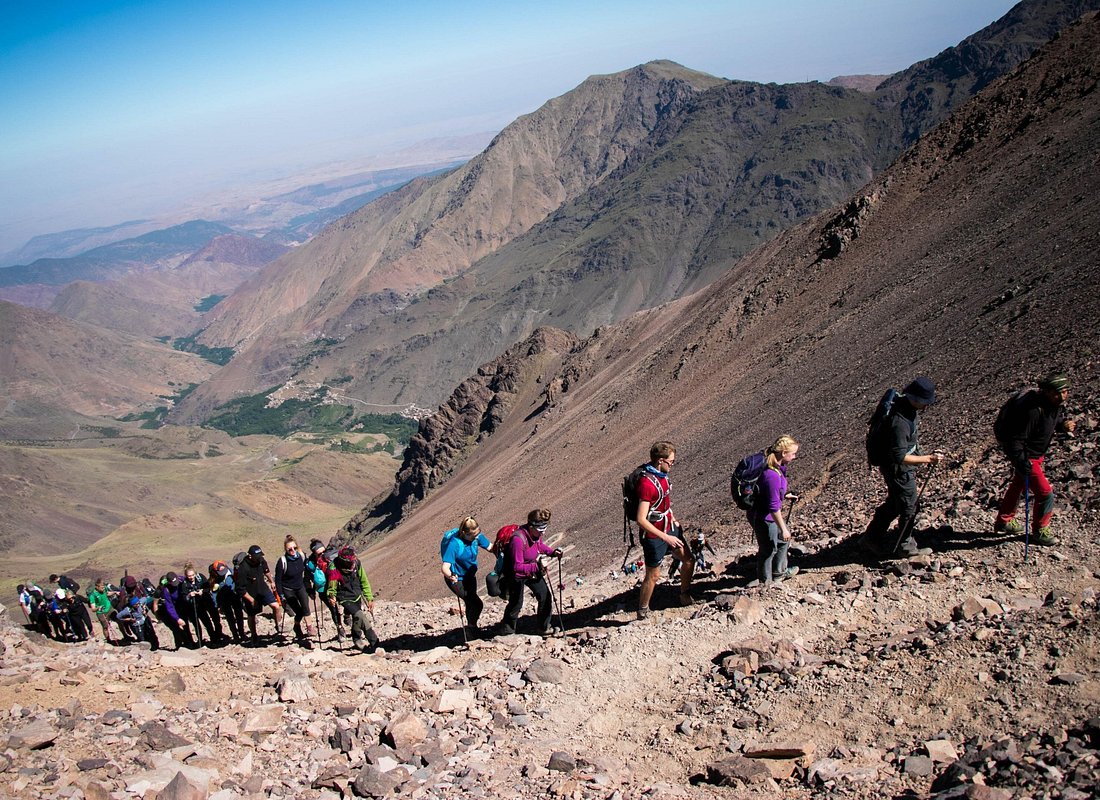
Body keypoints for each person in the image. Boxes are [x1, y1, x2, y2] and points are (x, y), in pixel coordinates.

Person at [863, 376, 945, 558]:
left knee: (895, 502)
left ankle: (872, 537)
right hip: (898, 471)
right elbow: (899, 457)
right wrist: (929, 459)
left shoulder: (903, 406)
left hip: (893, 468)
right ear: (916, 399)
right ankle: (905, 546)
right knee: (910, 505)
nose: (927, 405)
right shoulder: (900, 422)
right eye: (925, 401)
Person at [994, 373, 1076, 545]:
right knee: (1045, 493)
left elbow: (1053, 421)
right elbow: (1016, 440)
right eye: (1058, 393)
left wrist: (1063, 425)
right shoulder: (1032, 411)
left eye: (1065, 392)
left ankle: (1004, 521)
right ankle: (1040, 530)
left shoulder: (1054, 405)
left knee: (1018, 485)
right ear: (1047, 392)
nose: (1062, 396)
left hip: (1035, 454)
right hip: (1028, 456)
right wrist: (1021, 460)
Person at [636, 441, 694, 619]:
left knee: (688, 559)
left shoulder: (663, 476)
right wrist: (666, 538)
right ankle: (643, 610)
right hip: (654, 534)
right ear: (660, 460)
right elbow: (641, 519)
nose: (672, 465)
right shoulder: (647, 484)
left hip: (668, 525)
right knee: (653, 575)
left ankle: (684, 595)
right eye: (671, 461)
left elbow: (664, 501)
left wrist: (673, 518)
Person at [499, 509, 563, 635]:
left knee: (545, 596)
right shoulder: (517, 540)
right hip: (517, 575)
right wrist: (537, 567)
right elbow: (517, 567)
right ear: (531, 526)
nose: (543, 532)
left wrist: (552, 552)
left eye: (545, 528)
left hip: (531, 569)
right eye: (540, 529)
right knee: (516, 603)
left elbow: (539, 546)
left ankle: (544, 627)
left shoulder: (535, 534)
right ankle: (507, 631)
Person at [748, 436, 801, 586]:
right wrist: (784, 529)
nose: (794, 457)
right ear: (783, 453)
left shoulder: (777, 469)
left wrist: (785, 495)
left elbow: (771, 493)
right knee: (768, 549)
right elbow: (773, 507)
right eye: (793, 453)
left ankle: (779, 573)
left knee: (783, 541)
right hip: (764, 517)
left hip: (766, 515)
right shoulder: (771, 475)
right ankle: (765, 583)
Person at [441, 517, 493, 635]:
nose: (476, 537)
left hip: (470, 576)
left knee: (470, 602)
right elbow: (445, 567)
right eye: (473, 535)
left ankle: (471, 629)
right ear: (465, 533)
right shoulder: (455, 544)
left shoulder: (476, 537)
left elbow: (490, 547)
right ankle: (472, 629)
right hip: (457, 579)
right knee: (476, 604)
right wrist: (451, 576)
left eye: (478, 533)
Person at [325, 546, 380, 653]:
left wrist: (369, 598)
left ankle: (356, 638)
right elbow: (332, 586)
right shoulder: (334, 569)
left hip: (356, 594)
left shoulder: (357, 563)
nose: (354, 563)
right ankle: (375, 642)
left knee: (357, 618)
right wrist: (332, 596)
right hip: (344, 597)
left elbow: (363, 580)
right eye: (351, 562)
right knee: (360, 615)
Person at [274, 535, 316, 649]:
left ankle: (309, 627)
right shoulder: (282, 561)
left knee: (305, 606)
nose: (292, 550)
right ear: (286, 550)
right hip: (288, 589)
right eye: (289, 549)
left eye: (294, 548)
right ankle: (297, 627)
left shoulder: (301, 556)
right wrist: (281, 595)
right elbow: (278, 580)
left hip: (300, 586)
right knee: (299, 611)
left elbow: (307, 570)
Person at [235, 545, 284, 644]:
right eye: (257, 556)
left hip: (262, 588)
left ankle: (278, 627)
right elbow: (240, 589)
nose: (259, 558)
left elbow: (266, 571)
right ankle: (254, 635)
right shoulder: (243, 568)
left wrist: (272, 582)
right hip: (250, 593)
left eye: (260, 556)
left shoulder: (261, 560)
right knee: (252, 615)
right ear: (250, 556)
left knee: (276, 606)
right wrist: (251, 600)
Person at [181, 563, 225, 645]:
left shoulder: (200, 577)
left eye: (192, 575)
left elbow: (208, 587)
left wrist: (203, 591)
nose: (191, 577)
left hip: (207, 601)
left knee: (214, 619)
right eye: (189, 576)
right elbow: (184, 597)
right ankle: (211, 639)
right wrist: (189, 595)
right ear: (186, 576)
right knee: (205, 623)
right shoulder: (184, 584)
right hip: (196, 605)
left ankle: (218, 635)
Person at [307, 540, 343, 639]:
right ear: (314, 554)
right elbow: (307, 578)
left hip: (336, 585)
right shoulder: (310, 564)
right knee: (333, 608)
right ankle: (340, 628)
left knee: (346, 603)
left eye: (324, 551)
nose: (323, 555)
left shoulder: (330, 556)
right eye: (319, 554)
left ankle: (347, 618)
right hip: (324, 590)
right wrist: (310, 591)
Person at [209, 560, 245, 643]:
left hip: (235, 597)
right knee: (230, 618)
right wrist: (217, 605)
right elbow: (214, 593)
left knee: (239, 615)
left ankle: (242, 633)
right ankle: (235, 635)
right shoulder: (215, 579)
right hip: (224, 600)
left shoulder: (232, 573)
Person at [157, 572, 195, 650]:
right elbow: (169, 606)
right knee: (180, 628)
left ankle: (192, 643)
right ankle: (182, 646)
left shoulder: (181, 579)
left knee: (188, 625)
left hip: (185, 605)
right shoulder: (166, 590)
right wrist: (177, 618)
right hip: (177, 609)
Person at [88, 578, 116, 643]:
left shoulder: (105, 588)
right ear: (97, 587)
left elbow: (107, 593)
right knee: (105, 626)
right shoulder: (92, 595)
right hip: (101, 612)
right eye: (101, 588)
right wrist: (98, 608)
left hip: (109, 607)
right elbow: (93, 609)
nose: (103, 589)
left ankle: (125, 635)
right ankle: (108, 640)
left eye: (104, 587)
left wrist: (114, 592)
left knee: (118, 619)